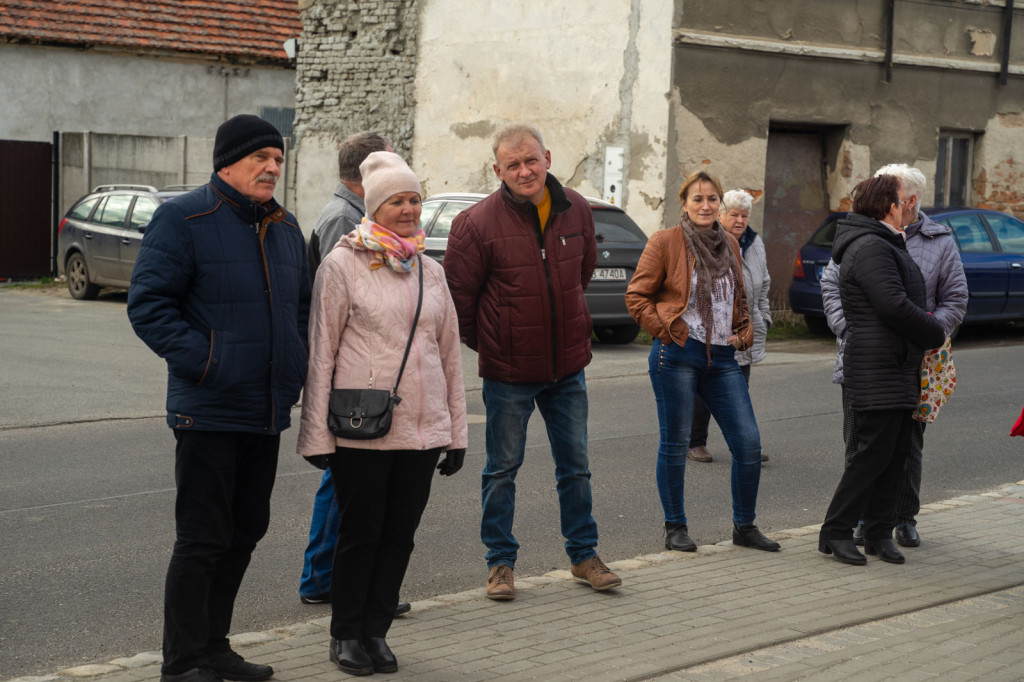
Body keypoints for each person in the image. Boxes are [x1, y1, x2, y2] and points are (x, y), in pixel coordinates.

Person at [127, 114, 310, 682]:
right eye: (261, 158)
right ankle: (182, 663)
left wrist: (295, 364)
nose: (272, 168)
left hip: (265, 410)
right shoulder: (182, 218)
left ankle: (214, 647)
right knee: (202, 539)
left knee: (244, 531)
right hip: (207, 409)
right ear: (226, 162)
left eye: (278, 159)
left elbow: (299, 309)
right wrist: (211, 361)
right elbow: (149, 307)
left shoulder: (284, 228)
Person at [296, 151, 468, 676]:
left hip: (422, 429)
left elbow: (450, 354)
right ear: (374, 207)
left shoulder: (430, 271)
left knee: (400, 536)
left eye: (415, 199)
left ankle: (376, 629)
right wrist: (315, 437)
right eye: (397, 200)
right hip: (363, 428)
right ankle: (346, 633)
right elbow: (321, 350)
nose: (409, 209)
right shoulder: (342, 264)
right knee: (360, 533)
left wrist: (455, 432)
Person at [443, 122, 622, 601]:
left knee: (576, 467)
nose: (525, 171)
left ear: (547, 156)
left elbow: (579, 276)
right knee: (501, 470)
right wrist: (497, 344)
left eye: (532, 161)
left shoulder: (578, 209)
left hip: (567, 368)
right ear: (497, 169)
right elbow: (459, 301)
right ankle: (500, 565)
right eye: (513, 165)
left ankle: (584, 556)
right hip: (508, 372)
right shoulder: (475, 224)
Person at [625, 170, 780, 555]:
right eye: (698, 199)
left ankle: (744, 527)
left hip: (723, 356)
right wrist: (666, 329)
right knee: (675, 443)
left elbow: (737, 300)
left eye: (713, 199)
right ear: (684, 203)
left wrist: (743, 332)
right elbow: (636, 296)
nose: (706, 205)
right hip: (677, 353)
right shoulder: (665, 241)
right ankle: (675, 527)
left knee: (747, 444)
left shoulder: (729, 241)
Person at [821, 164, 967, 549]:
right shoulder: (871, 242)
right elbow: (879, 300)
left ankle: (889, 525)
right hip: (873, 361)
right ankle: (845, 527)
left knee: (901, 448)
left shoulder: (925, 240)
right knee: (866, 449)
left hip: (909, 361)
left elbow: (952, 298)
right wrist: (851, 328)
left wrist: (930, 333)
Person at [298, 131, 413, 616]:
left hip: (364, 381)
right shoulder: (348, 220)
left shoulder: (342, 211)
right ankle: (322, 578)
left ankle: (330, 577)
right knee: (341, 490)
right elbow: (337, 308)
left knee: (345, 492)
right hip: (357, 384)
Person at [687, 189, 772, 465]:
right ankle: (695, 442)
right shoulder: (710, 242)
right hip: (712, 328)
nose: (739, 220)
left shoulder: (754, 243)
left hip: (744, 328)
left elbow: (764, 283)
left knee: (739, 392)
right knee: (705, 391)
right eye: (734, 214)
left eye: (744, 216)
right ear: (720, 215)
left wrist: (764, 317)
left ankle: (745, 445)